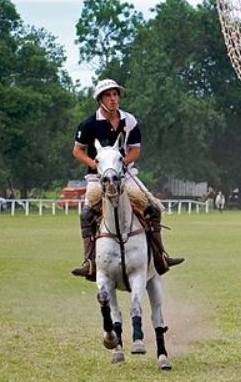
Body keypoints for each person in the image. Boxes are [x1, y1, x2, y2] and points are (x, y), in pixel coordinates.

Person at [71, 79, 184, 280]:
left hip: (125, 175)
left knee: (153, 208)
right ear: (100, 99)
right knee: (86, 213)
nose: (113, 99)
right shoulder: (88, 124)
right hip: (98, 180)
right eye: (108, 95)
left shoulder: (129, 121)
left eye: (115, 94)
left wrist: (122, 163)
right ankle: (89, 261)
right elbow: (77, 151)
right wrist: (96, 165)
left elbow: (135, 150)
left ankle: (159, 256)